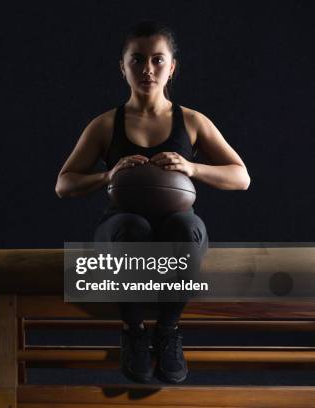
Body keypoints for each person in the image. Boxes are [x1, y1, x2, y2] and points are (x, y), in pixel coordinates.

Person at [55, 21, 250, 384]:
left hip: (179, 232)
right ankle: (133, 331)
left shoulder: (190, 121)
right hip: (120, 229)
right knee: (134, 227)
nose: (148, 69)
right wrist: (107, 175)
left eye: (158, 60)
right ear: (123, 66)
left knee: (185, 225)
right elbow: (64, 185)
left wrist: (193, 167)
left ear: (172, 66)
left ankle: (167, 331)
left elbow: (242, 177)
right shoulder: (105, 125)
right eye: (137, 60)